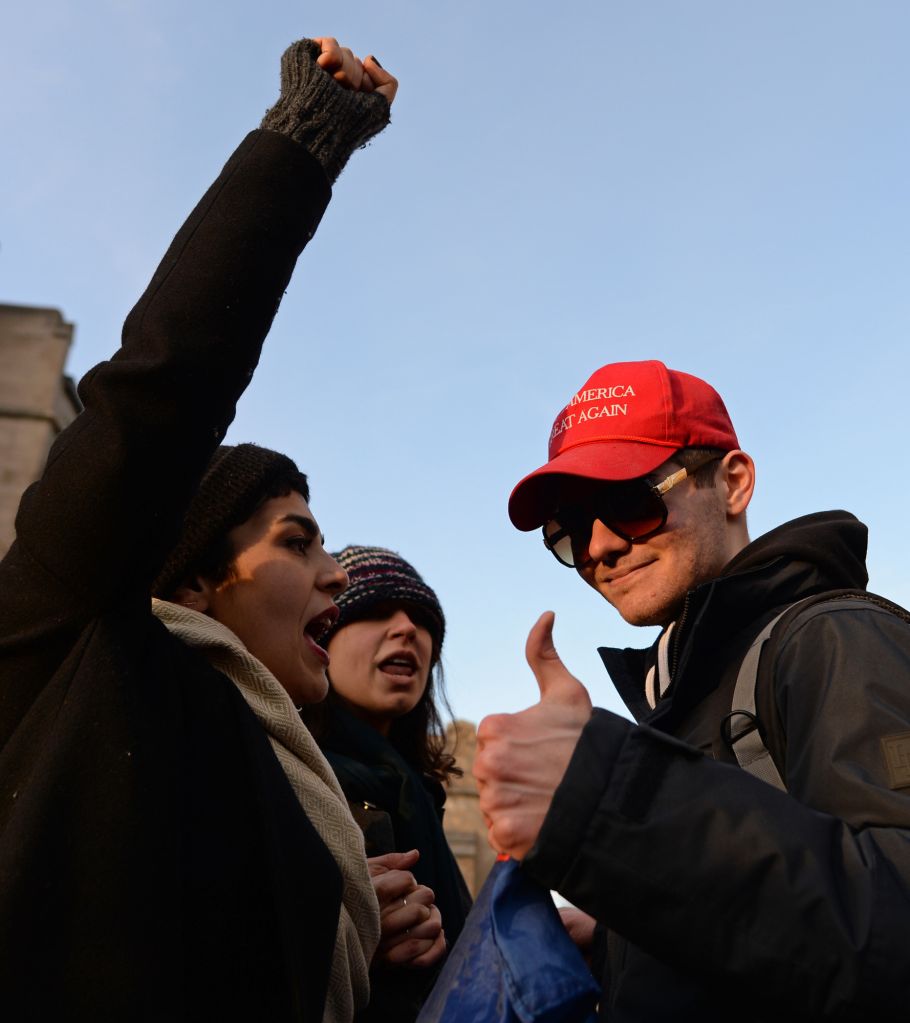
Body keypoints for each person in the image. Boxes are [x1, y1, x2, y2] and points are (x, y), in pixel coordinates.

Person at [0, 35, 438, 1022]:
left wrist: (364, 924)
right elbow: (164, 390)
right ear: (196, 580)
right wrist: (305, 142)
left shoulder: (294, 787)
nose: (337, 579)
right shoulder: (81, 646)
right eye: (296, 540)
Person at [473, 358, 910, 1021]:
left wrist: (603, 798)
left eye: (628, 500)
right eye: (569, 528)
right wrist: (621, 948)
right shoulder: (677, 690)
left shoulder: (834, 637)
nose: (598, 547)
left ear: (733, 484)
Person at [304, 545, 472, 1022]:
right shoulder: (286, 779)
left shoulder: (420, 795)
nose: (406, 630)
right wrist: (347, 941)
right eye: (375, 613)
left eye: (422, 621)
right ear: (320, 639)